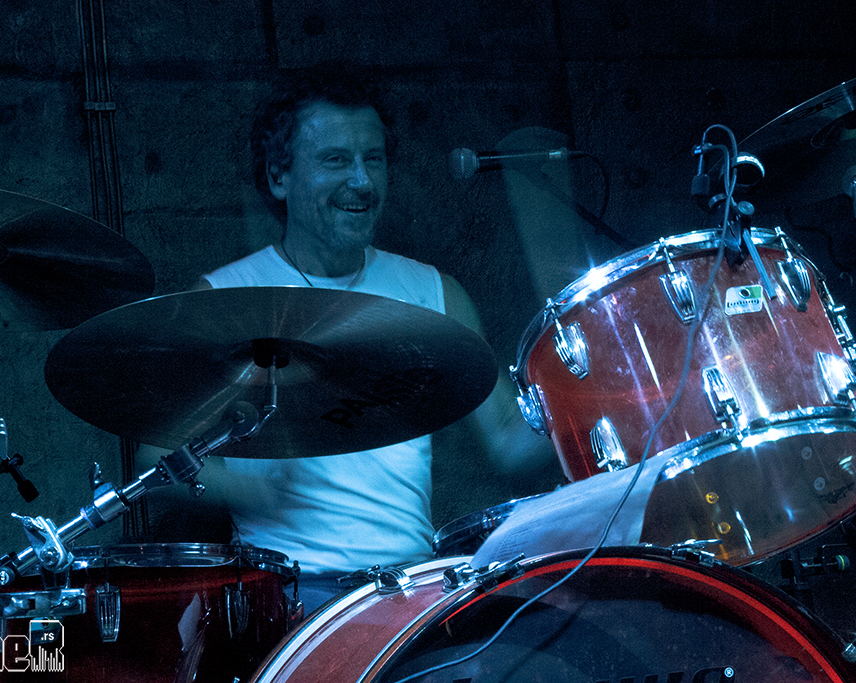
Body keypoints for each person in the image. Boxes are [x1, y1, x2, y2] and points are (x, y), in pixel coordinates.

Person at [141, 69, 555, 610]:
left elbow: (506, 441)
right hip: (290, 593)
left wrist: (613, 405)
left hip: (412, 589)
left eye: (373, 159)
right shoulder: (224, 299)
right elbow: (154, 461)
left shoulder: (435, 293)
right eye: (336, 160)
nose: (363, 181)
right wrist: (252, 490)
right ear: (279, 177)